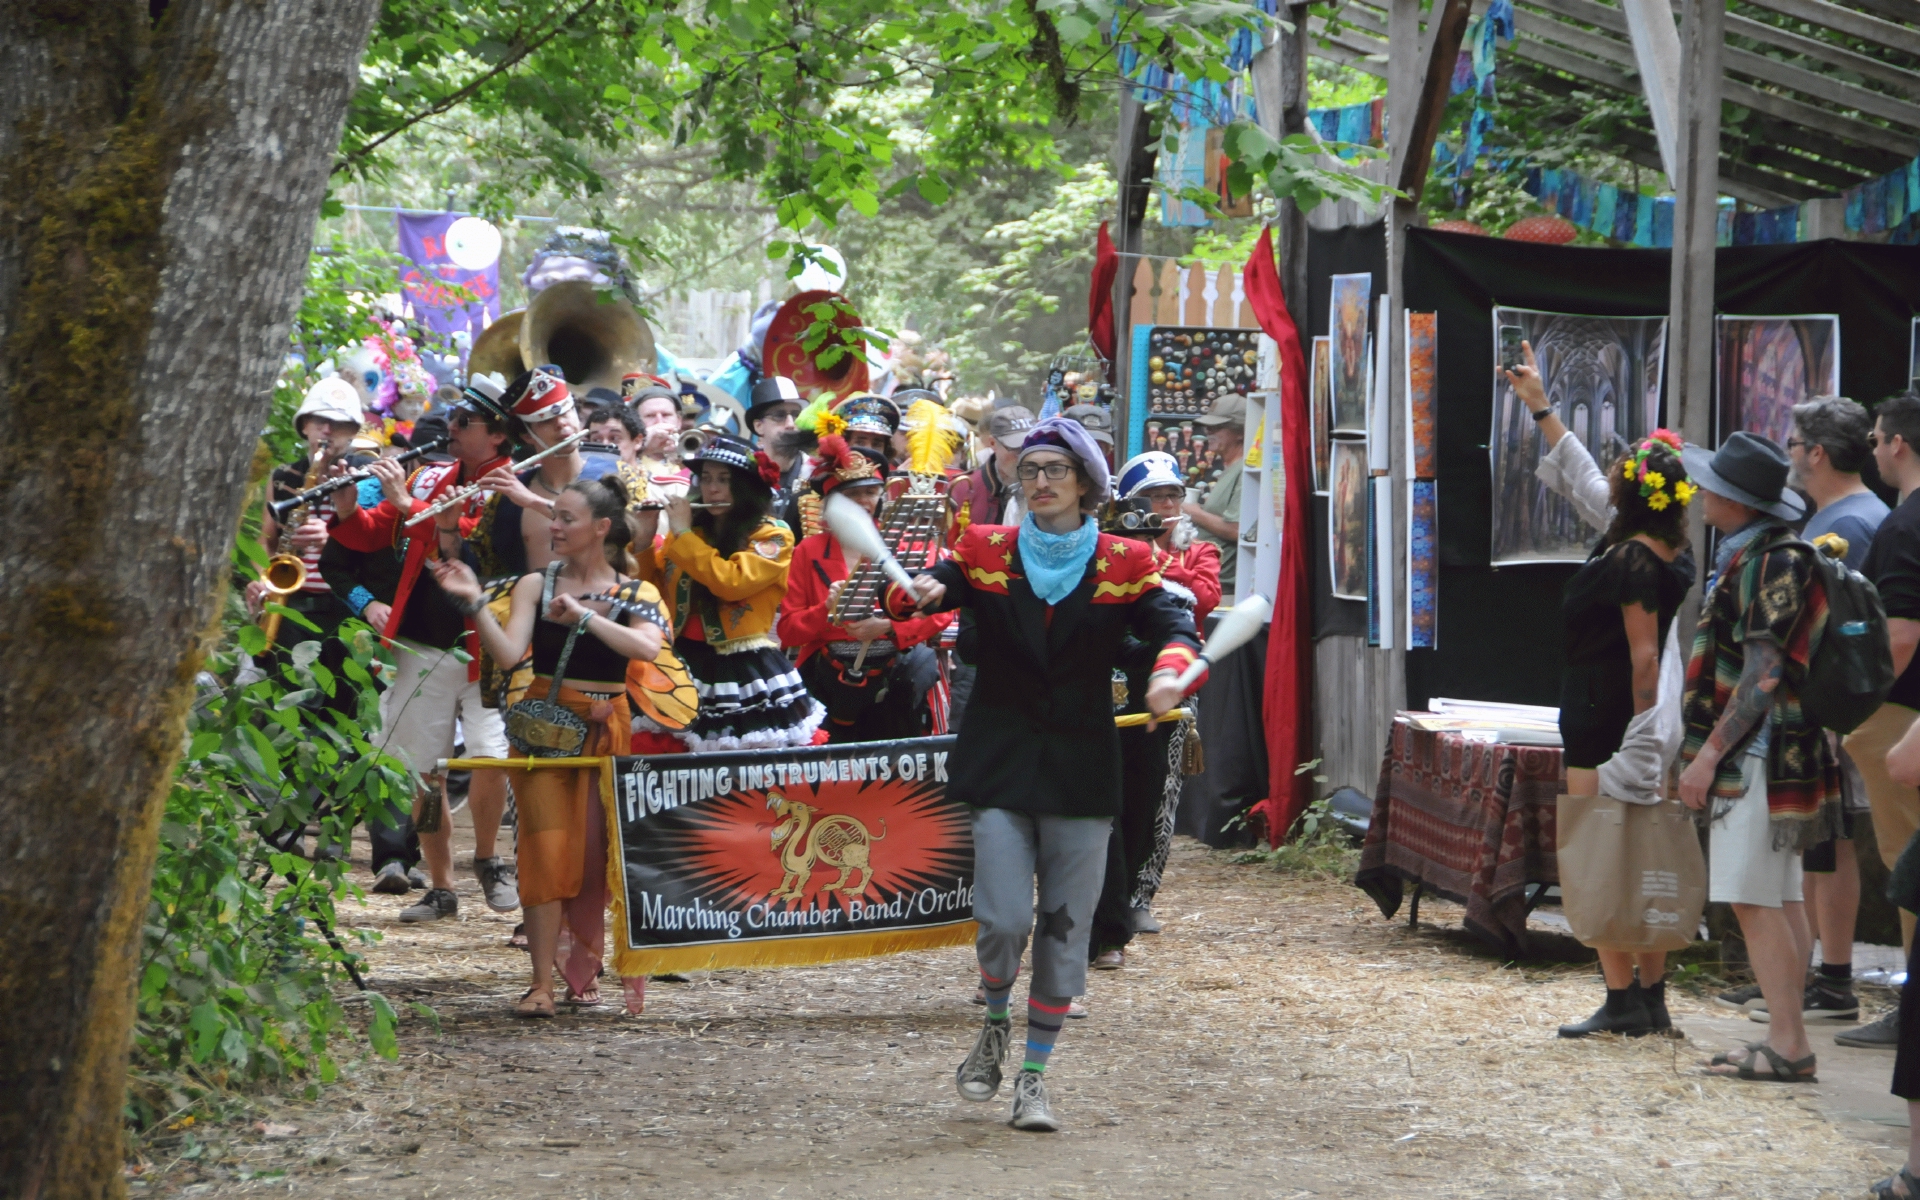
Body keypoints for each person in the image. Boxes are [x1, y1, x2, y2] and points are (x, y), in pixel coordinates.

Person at [888, 417, 1199, 1132]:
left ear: (1088, 483)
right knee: (1003, 920)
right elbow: (917, 593)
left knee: (1065, 928)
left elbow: (1173, 630)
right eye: (1031, 470)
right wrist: (917, 593)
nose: (1042, 481)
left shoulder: (1125, 561)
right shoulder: (984, 550)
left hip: (1081, 768)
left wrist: (1169, 676)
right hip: (1000, 760)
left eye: (1058, 469)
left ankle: (1033, 1075)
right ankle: (995, 1019)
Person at [431, 474, 668, 1017]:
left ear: (601, 528)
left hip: (607, 729)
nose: (553, 527)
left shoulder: (637, 592)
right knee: (544, 849)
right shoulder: (535, 585)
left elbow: (647, 649)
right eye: (552, 517)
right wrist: (474, 606)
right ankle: (540, 983)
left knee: (592, 856)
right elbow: (513, 655)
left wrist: (585, 615)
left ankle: (581, 973)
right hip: (545, 726)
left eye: (566, 518)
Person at [1677, 432, 1839, 1083]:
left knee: (1752, 897)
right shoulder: (1760, 554)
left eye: (1711, 485)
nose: (1700, 492)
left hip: (1758, 753)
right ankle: (1787, 1035)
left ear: (1736, 500)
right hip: (1772, 751)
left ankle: (1788, 1043)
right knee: (1778, 896)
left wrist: (1708, 754)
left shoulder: (1774, 562)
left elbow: (1764, 671)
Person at [328, 377, 520, 921]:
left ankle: (487, 858)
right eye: (453, 419)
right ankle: (441, 886)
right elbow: (375, 533)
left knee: (490, 755)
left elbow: (470, 540)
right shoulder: (433, 471)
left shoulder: (511, 482)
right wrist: (348, 510)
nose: (451, 428)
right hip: (421, 641)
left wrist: (407, 501)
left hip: (486, 645)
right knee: (423, 770)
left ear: (498, 434)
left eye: (465, 423)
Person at [1765, 397, 1887, 1027]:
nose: (1788, 452)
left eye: (1792, 442)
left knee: (1832, 840)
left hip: (1840, 710)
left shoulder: (1858, 524)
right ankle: (1811, 973)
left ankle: (1833, 978)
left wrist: (1843, 717)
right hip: (1822, 710)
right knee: (1818, 842)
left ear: (1815, 452)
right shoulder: (1835, 518)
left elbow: (1858, 631)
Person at [1088, 452, 1221, 965]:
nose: (1166, 506)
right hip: (1110, 685)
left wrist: (1151, 557)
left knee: (1157, 798)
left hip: (1170, 684)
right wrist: (1155, 558)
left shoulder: (1200, 550)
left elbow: (1202, 597)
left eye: (1172, 496)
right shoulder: (1113, 547)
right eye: (1153, 498)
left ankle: (1140, 895)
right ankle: (1103, 905)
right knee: (1110, 797)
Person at [634, 434, 825, 750]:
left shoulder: (774, 535)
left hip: (743, 668)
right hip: (680, 659)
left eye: (724, 479)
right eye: (706, 478)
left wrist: (680, 532)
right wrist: (642, 539)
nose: (712, 488)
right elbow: (650, 591)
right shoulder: (690, 534)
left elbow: (731, 583)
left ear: (747, 485)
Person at [778, 436, 954, 742]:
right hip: (826, 681)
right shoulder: (809, 550)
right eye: (853, 494)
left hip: (896, 679)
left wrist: (887, 627)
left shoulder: (906, 544)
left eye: (871, 492)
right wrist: (825, 611)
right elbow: (789, 630)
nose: (863, 502)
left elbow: (940, 615)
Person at [1848, 392, 1920, 1049]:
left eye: (1876, 439)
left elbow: (1899, 636)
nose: (1873, 450)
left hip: (1901, 717)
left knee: (1908, 865)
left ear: (1898, 443)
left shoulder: (1904, 527)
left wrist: (1853, 704)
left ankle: (1912, 1007)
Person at [1186, 393, 1247, 596]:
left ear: (1239, 432)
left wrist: (1194, 512)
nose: (1208, 432)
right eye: (1208, 427)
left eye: (1217, 427)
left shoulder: (1246, 470)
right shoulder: (1231, 467)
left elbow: (1238, 529)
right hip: (1209, 579)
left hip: (1224, 587)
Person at [954, 405, 1034, 534]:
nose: (1023, 455)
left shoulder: (1048, 484)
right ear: (992, 443)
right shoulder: (964, 488)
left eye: (1030, 446)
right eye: (1015, 448)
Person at [746, 375, 807, 509]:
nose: (790, 424)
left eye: (796, 415)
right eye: (779, 415)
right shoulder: (743, 475)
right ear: (759, 426)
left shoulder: (817, 473)